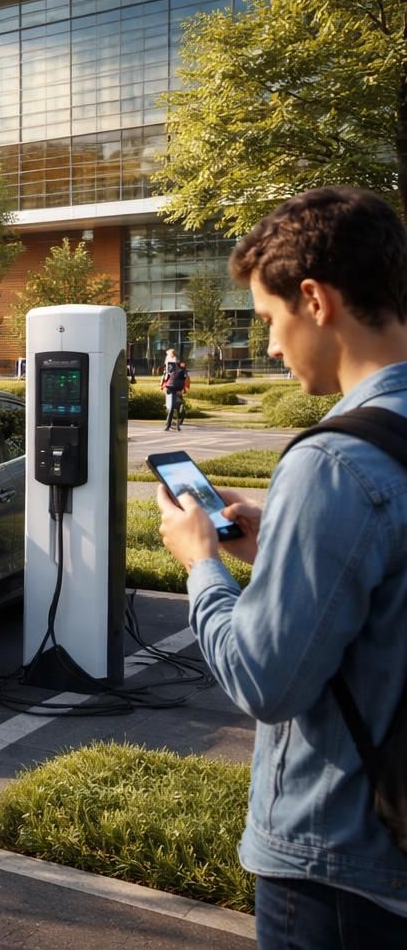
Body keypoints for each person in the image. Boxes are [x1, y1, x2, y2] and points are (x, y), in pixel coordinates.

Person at [157, 187, 407, 949]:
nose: (269, 347)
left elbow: (268, 680)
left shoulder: (334, 463)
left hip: (339, 867)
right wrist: (277, 542)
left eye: (268, 321)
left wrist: (203, 565)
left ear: (315, 300)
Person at [160, 356, 189, 430]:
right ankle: (169, 425)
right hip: (171, 388)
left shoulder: (182, 369)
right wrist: (163, 387)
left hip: (177, 389)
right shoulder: (170, 368)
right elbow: (165, 378)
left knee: (177, 407)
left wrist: (183, 389)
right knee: (172, 407)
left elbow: (186, 379)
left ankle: (174, 424)